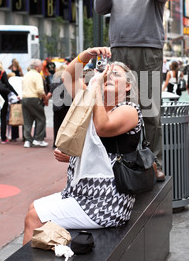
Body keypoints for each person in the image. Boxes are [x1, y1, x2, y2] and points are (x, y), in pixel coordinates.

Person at [23, 47, 143, 244]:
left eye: (115, 74)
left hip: (107, 202)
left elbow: (102, 127)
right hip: (82, 193)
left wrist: (95, 86)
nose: (108, 75)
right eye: (106, 71)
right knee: (32, 208)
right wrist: (87, 55)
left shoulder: (130, 109)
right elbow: (68, 77)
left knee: (34, 217)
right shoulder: (92, 99)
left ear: (128, 86)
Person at [94, 0, 171, 180]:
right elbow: (99, 7)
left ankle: (154, 162)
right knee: (117, 106)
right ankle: (121, 158)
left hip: (147, 50)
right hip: (120, 51)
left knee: (149, 108)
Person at [22, 59, 50, 148]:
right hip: (34, 98)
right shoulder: (37, 75)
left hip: (25, 98)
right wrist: (45, 99)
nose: (42, 68)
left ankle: (27, 140)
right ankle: (38, 139)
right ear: (37, 67)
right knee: (41, 118)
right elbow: (40, 90)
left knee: (27, 120)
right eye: (41, 66)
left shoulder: (26, 75)